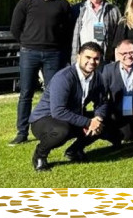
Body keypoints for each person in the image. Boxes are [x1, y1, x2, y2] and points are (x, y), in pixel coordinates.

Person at [10, 0, 73, 146]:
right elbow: (15, 27)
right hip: (29, 53)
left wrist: (60, 49)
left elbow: (67, 31)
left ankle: (51, 127)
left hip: (53, 54)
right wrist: (27, 43)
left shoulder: (62, 4)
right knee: (26, 93)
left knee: (53, 93)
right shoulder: (26, 2)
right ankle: (22, 132)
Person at [29, 42, 108, 171]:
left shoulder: (97, 77)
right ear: (78, 57)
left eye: (96, 58)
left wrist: (97, 118)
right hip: (44, 119)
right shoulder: (64, 77)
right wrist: (88, 122)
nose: (92, 62)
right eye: (88, 57)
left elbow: (102, 102)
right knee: (62, 130)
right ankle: (40, 155)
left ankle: (74, 150)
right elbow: (58, 111)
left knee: (105, 122)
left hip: (71, 116)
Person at [71, 0, 121, 64]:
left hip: (104, 57)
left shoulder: (113, 10)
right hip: (84, 57)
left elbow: (119, 35)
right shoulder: (77, 9)